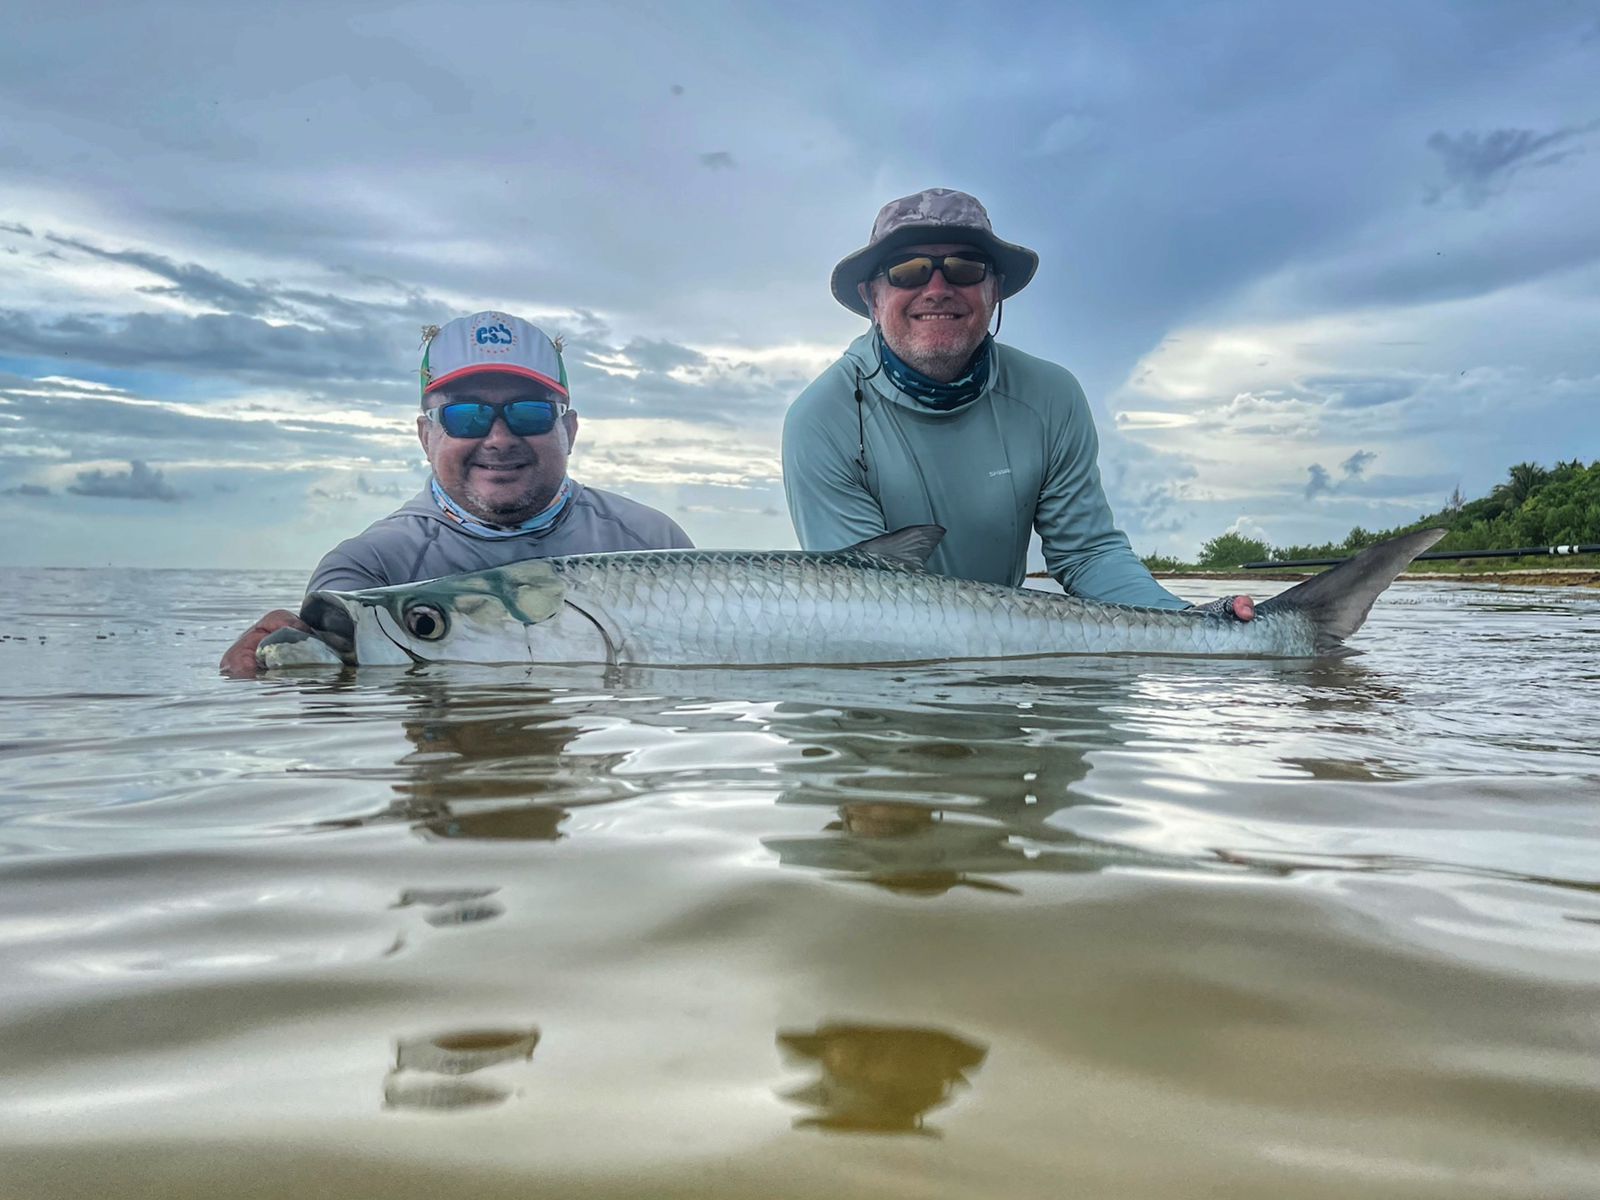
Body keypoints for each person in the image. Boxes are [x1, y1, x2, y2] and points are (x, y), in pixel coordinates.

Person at [782, 188, 1252, 620]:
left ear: (995, 290)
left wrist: (1190, 621)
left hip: (1007, 653)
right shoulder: (821, 419)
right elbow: (871, 601)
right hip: (890, 660)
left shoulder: (1051, 395)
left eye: (965, 268)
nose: (937, 288)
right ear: (871, 296)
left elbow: (1088, 554)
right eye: (907, 271)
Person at [220, 310, 692, 675]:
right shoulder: (368, 571)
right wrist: (265, 673)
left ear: (568, 430)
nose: (500, 438)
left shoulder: (652, 542)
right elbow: (338, 711)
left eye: (529, 413)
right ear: (426, 436)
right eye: (466, 416)